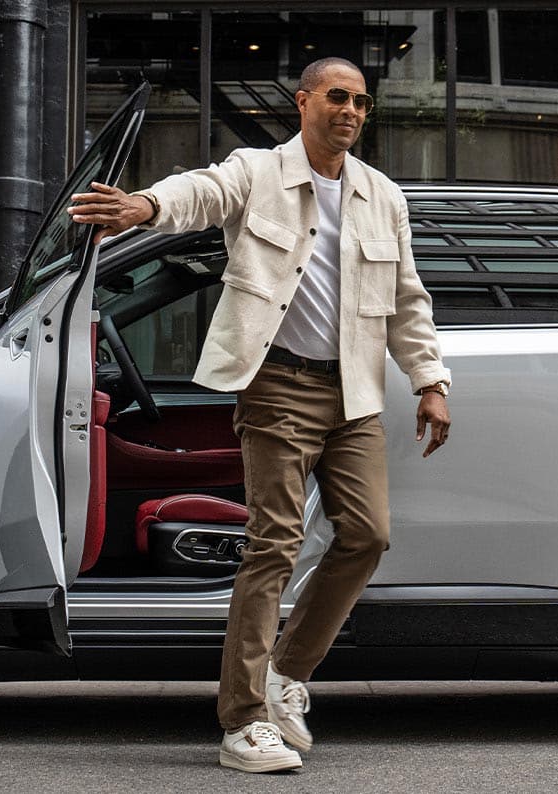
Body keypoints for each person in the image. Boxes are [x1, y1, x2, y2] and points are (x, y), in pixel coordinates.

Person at [69, 57, 452, 773]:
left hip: (355, 392)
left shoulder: (382, 195)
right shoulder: (258, 172)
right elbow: (200, 193)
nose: (351, 111)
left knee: (367, 534)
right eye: (337, 97)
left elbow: (407, 297)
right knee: (274, 543)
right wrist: (144, 206)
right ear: (303, 102)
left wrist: (429, 379)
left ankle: (286, 673)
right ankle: (243, 721)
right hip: (278, 385)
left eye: (361, 102)